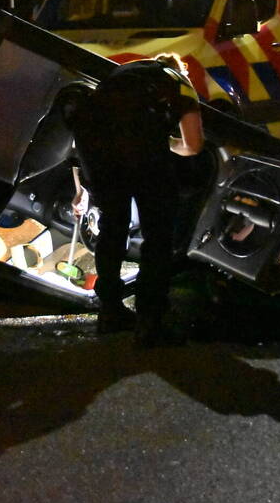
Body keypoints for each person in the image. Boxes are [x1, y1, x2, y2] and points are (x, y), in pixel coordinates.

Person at [70, 53, 204, 347]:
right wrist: (166, 142)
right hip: (143, 156)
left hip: (96, 152)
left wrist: (81, 186)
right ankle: (149, 321)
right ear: (181, 70)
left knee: (112, 228)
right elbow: (193, 145)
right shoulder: (179, 83)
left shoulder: (122, 75)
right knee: (158, 237)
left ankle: (110, 312)